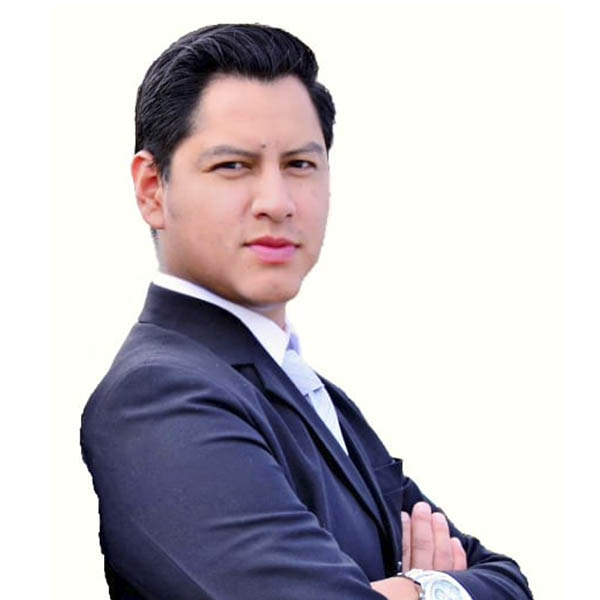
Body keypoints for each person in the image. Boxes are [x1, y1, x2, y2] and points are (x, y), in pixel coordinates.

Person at [81, 23, 533, 600]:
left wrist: (409, 589)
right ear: (152, 189)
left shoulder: (311, 392)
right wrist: (434, 588)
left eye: (299, 164)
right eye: (233, 166)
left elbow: (508, 581)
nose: (277, 202)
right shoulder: (157, 396)